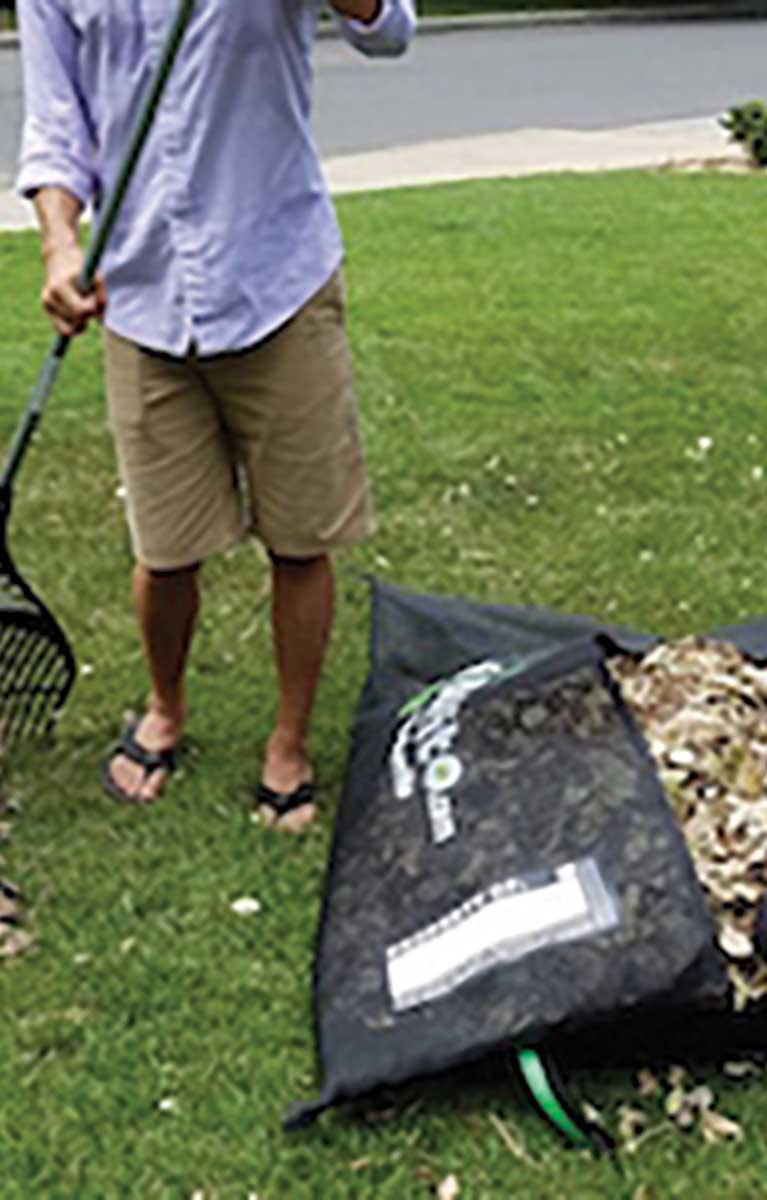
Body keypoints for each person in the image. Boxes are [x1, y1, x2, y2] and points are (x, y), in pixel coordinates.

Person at [16, 0, 416, 831]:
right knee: (164, 550)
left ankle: (289, 742)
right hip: (140, 294)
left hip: (276, 277)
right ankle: (165, 708)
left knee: (301, 538)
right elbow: (57, 124)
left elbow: (388, 29)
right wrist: (59, 243)